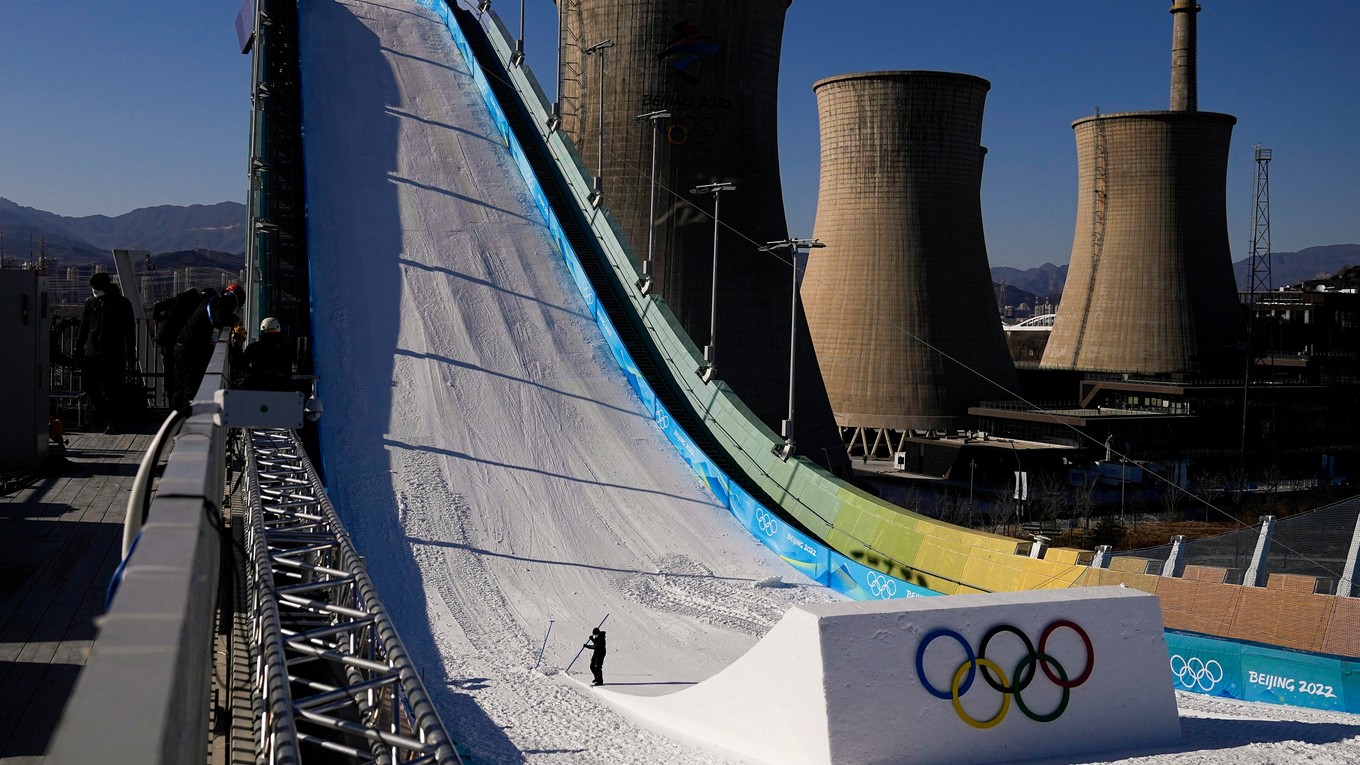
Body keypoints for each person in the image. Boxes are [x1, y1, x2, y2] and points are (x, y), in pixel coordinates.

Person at [74, 271, 136, 433]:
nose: (94, 292)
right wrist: (79, 347)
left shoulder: (121, 303)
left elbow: (129, 330)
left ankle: (111, 420)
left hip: (112, 352)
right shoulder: (91, 303)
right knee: (89, 385)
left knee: (111, 389)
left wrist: (130, 354)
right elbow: (84, 327)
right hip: (92, 352)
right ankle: (105, 414)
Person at [172, 283, 244, 414]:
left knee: (179, 388)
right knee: (191, 388)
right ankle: (188, 419)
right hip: (190, 350)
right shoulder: (221, 304)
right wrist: (232, 321)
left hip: (181, 346)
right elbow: (220, 320)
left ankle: (174, 420)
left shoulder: (212, 301)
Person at [151, 286, 214, 406]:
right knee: (179, 378)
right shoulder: (194, 304)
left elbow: (158, 306)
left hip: (169, 341)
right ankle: (178, 407)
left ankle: (173, 407)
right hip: (174, 342)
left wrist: (159, 320)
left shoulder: (182, 299)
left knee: (172, 376)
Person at [238, 317, 295, 391]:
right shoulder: (284, 349)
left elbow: (243, 364)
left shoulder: (254, 347)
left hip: (257, 386)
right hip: (280, 387)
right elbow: (288, 371)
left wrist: (254, 374)